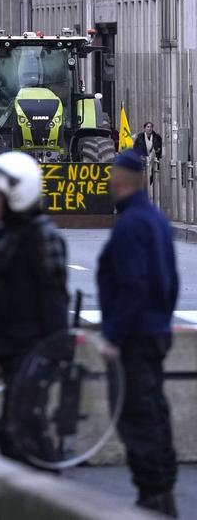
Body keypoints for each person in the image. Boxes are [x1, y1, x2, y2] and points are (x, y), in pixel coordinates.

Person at [0, 151, 69, 464]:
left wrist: (53, 354)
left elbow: (55, 303)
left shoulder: (42, 238)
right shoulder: (1, 239)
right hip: (9, 348)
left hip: (33, 350)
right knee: (14, 432)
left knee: (26, 430)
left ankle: (48, 499)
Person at [97, 150, 178, 517]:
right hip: (156, 329)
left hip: (135, 335)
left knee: (136, 413)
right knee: (154, 409)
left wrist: (113, 336)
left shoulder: (130, 225)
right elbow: (170, 281)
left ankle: (153, 493)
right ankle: (162, 485)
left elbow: (132, 285)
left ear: (120, 181)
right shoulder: (157, 219)